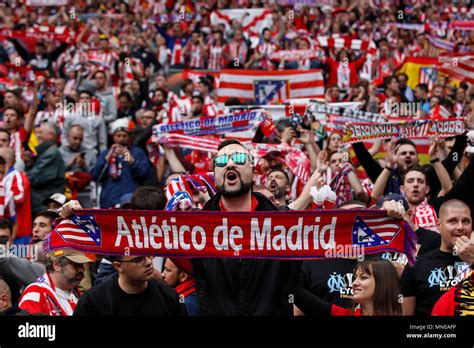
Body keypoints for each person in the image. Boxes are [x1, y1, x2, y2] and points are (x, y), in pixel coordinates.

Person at [401, 199, 473, 316]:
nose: (460, 227)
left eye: (466, 221)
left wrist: (472, 260)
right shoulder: (417, 264)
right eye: (452, 221)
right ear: (439, 225)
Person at [73, 254, 183, 316]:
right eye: (138, 260)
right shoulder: (93, 301)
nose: (148, 262)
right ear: (118, 266)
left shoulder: (169, 296)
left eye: (148, 256)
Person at [294, 259, 402, 316]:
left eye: (363, 277)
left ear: (382, 283)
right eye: (355, 277)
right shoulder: (344, 314)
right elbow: (296, 292)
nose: (354, 283)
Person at [91, 118, 150, 208]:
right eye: (118, 136)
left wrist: (127, 156)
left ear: (129, 137)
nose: (121, 139)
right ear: (113, 137)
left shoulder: (137, 152)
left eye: (124, 136)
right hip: (109, 200)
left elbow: (143, 175)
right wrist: (108, 157)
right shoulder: (106, 153)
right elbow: (95, 176)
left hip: (130, 199)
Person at [18, 249, 93, 316]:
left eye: (82, 265)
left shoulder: (80, 295)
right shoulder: (35, 294)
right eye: (76, 265)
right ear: (56, 265)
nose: (82, 270)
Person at [26, 122, 65, 215]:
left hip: (44, 205)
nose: (37, 135)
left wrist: (18, 177)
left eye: (40, 132)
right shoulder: (46, 152)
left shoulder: (51, 153)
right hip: (43, 202)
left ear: (51, 135)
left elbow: (35, 178)